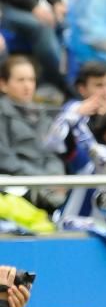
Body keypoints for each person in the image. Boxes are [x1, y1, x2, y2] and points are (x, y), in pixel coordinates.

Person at [0, 56, 66, 213]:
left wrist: (56, 177)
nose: (27, 86)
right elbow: (5, 160)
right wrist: (43, 179)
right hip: (15, 190)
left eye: (31, 80)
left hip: (44, 186)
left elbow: (52, 153)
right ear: (3, 84)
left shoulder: (42, 114)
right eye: (21, 80)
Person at [0, 0, 68, 95]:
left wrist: (56, 2)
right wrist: (33, 6)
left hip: (30, 4)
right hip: (7, 7)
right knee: (42, 26)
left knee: (66, 22)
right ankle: (56, 82)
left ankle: (63, 80)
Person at [45, 61, 106, 174]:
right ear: (82, 89)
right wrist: (75, 115)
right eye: (99, 85)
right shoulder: (72, 114)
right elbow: (52, 145)